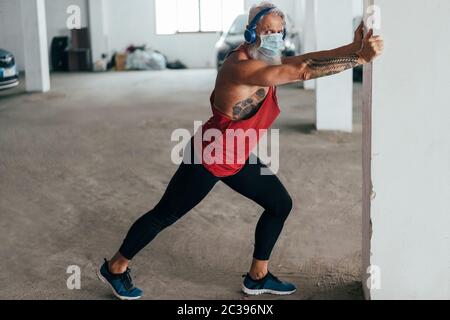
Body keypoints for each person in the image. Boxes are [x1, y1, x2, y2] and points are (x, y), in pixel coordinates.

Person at [97, 1, 384, 300]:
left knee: (279, 204)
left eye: (279, 30)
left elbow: (303, 59)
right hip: (210, 156)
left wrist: (351, 47)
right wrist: (359, 58)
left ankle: (257, 277)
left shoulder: (267, 56)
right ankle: (115, 267)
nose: (275, 36)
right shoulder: (242, 66)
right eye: (268, 31)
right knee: (164, 214)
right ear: (251, 32)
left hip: (237, 154)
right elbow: (302, 72)